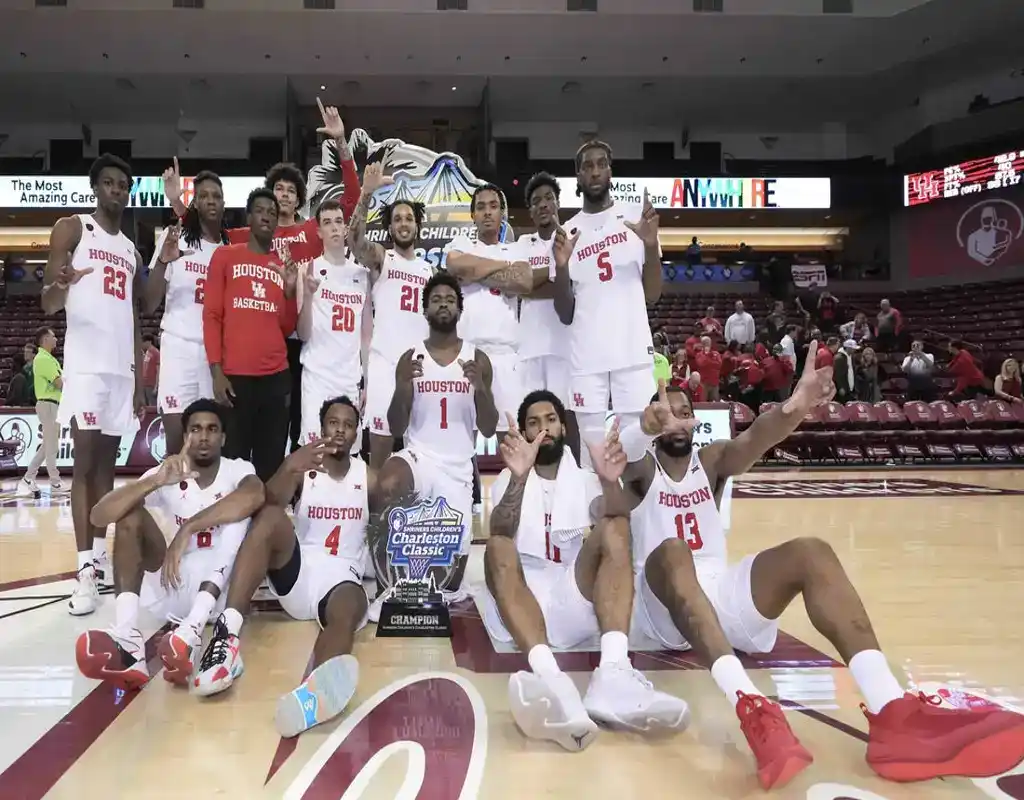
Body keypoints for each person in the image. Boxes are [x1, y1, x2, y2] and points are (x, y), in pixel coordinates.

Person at [612, 363, 1024, 789]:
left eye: (683, 410)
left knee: (811, 552)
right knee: (675, 552)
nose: (675, 418)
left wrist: (796, 405)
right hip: (660, 607)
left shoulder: (712, 459)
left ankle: (893, 711)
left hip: (716, 594)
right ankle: (752, 706)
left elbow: (756, 438)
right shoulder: (643, 470)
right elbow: (623, 462)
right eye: (666, 412)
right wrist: (643, 428)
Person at [481, 392, 688, 751]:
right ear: (525, 433)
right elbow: (500, 529)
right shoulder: (507, 476)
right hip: (522, 596)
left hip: (569, 592)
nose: (543, 427)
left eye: (550, 419)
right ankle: (550, 680)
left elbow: (612, 512)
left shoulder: (585, 478)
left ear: (563, 426)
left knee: (615, 527)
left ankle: (613, 673)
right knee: (497, 546)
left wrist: (610, 481)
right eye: (533, 422)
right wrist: (518, 478)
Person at [164, 100, 361, 452]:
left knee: (298, 424)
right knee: (248, 433)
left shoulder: (313, 231)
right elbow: (206, 230)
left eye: (290, 190)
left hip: (303, 336)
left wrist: (342, 144)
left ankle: (303, 488)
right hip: (257, 341)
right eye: (278, 189)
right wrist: (179, 205)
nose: (284, 195)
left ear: (299, 198)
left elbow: (350, 202)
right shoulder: (243, 238)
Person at [191, 397, 371, 738]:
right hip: (298, 571)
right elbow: (264, 506)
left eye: (348, 424)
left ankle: (313, 696)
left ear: (356, 432)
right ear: (321, 428)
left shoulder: (368, 476)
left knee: (347, 612)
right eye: (333, 422)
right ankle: (226, 639)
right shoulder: (305, 468)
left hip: (340, 578)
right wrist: (290, 466)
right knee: (273, 517)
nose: (340, 430)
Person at [75, 399, 264, 690]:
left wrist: (187, 528)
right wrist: (155, 482)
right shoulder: (169, 471)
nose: (203, 436)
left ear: (223, 437)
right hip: (174, 585)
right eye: (196, 429)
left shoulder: (237, 469)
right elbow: (99, 515)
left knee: (240, 511)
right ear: (185, 436)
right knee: (130, 516)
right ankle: (128, 640)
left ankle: (197, 632)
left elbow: (254, 496)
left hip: (223, 591)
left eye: (212, 429)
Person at [42, 153, 145, 615]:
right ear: (95, 188)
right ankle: (83, 569)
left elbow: (136, 317)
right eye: (109, 183)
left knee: (107, 468)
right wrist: (62, 283)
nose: (117, 191)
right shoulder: (73, 227)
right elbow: (47, 302)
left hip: (120, 370)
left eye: (123, 185)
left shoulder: (131, 248)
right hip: (85, 366)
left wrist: (140, 379)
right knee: (83, 465)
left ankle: (99, 559)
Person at [375, 272, 499, 597]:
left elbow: (488, 428)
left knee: (447, 583)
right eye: (436, 300)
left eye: (449, 300)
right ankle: (387, 585)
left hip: (458, 470)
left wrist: (481, 390)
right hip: (419, 459)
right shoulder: (410, 357)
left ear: (459, 309)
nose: (443, 304)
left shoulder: (478, 359)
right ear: (425, 310)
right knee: (386, 483)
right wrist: (402, 386)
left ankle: (422, 568)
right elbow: (396, 428)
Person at [558, 141, 662, 466]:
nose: (595, 171)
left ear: (610, 170)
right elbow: (564, 312)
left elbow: (653, 294)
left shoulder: (636, 218)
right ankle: (596, 516)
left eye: (601, 164)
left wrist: (649, 244)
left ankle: (637, 515)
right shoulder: (567, 231)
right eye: (587, 166)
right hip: (586, 356)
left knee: (640, 446)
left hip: (631, 349)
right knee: (591, 457)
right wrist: (560, 267)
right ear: (578, 175)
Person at [203, 188, 298, 482]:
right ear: (249, 217)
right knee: (234, 467)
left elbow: (285, 326)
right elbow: (212, 316)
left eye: (272, 212)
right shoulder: (225, 256)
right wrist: (216, 371)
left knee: (270, 467)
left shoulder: (281, 266)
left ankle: (266, 527)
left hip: (275, 378)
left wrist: (290, 292)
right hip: (236, 379)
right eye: (261, 211)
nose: (267, 216)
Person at [442, 184, 546, 442]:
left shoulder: (516, 249)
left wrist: (475, 273)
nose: (487, 212)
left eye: (493, 206)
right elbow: (454, 264)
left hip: (506, 355)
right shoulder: (462, 243)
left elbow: (523, 282)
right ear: (473, 216)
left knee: (512, 438)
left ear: (502, 214)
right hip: (466, 352)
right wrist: (502, 270)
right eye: (480, 207)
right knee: (460, 438)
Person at [347, 163, 434, 469]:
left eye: (409, 218)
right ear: (390, 227)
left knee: (421, 451)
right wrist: (366, 193)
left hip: (419, 366)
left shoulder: (429, 270)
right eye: (397, 218)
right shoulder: (384, 258)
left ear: (418, 225)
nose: (403, 222)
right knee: (380, 454)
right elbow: (355, 242)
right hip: (386, 365)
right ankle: (374, 514)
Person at [144, 171, 229, 454]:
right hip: (178, 347)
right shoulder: (175, 240)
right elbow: (148, 303)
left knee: (209, 444)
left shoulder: (231, 248)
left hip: (215, 355)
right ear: (195, 204)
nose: (210, 201)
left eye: (216, 196)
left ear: (224, 203)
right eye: (203, 196)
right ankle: (172, 496)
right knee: (175, 441)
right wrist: (161, 264)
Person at [515, 172, 580, 461]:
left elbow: (569, 288)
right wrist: (553, 281)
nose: (543, 204)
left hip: (563, 347)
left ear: (557, 203)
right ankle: (532, 482)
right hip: (528, 347)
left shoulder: (571, 238)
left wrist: (535, 283)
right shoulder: (521, 243)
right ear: (530, 210)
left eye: (548, 198)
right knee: (530, 419)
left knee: (564, 418)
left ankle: (574, 476)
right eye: (536, 201)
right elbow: (519, 287)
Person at [297, 199, 370, 447]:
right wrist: (307, 296)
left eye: (339, 221)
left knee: (348, 456)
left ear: (346, 227)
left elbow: (366, 336)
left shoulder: (362, 275)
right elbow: (303, 334)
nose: (335, 228)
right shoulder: (309, 269)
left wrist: (367, 382)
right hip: (317, 378)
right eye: (327, 223)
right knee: (314, 455)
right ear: (319, 231)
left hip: (349, 380)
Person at [21, 327, 65, 492]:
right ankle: (55, 481)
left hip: (52, 405)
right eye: (53, 336)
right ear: (45, 339)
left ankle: (28, 477)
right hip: (48, 404)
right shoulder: (43, 359)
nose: (56, 339)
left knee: (47, 445)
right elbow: (59, 383)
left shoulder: (49, 358)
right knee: (51, 445)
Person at [141, 334, 160, 407]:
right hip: (145, 383)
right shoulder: (147, 352)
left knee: (152, 405)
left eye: (143, 342)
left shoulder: (156, 353)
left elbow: (158, 370)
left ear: (149, 342)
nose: (142, 344)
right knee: (146, 406)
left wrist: (156, 386)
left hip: (151, 384)